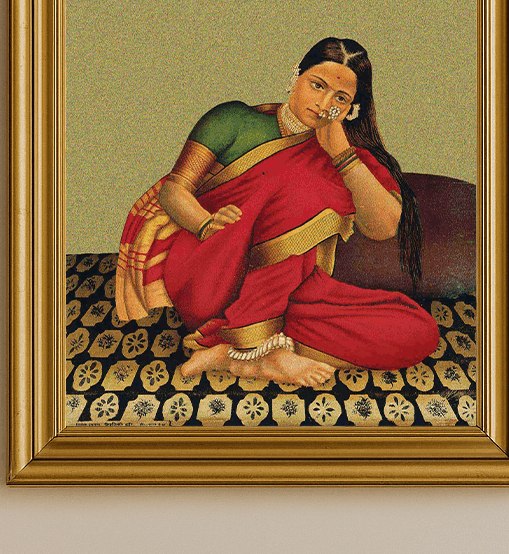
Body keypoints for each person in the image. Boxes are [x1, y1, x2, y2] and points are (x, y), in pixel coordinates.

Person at [114, 37, 438, 388]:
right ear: (295, 77)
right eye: (317, 85)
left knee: (418, 332)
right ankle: (254, 342)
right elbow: (173, 191)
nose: (324, 103)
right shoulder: (234, 119)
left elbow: (385, 226)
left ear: (352, 109)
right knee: (302, 180)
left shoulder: (349, 156)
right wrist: (206, 224)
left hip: (289, 292)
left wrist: (341, 156)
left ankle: (234, 354)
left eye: (340, 99)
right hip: (212, 264)